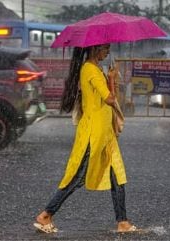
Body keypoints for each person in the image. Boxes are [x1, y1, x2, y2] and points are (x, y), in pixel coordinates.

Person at [33, 44, 145, 234]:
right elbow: (109, 99)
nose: (108, 51)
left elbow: (109, 98)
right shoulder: (90, 70)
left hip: (105, 133)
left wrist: (110, 79)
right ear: (95, 49)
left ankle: (123, 222)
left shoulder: (96, 69)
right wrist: (110, 79)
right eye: (105, 48)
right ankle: (46, 214)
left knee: (117, 175)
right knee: (78, 177)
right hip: (93, 135)